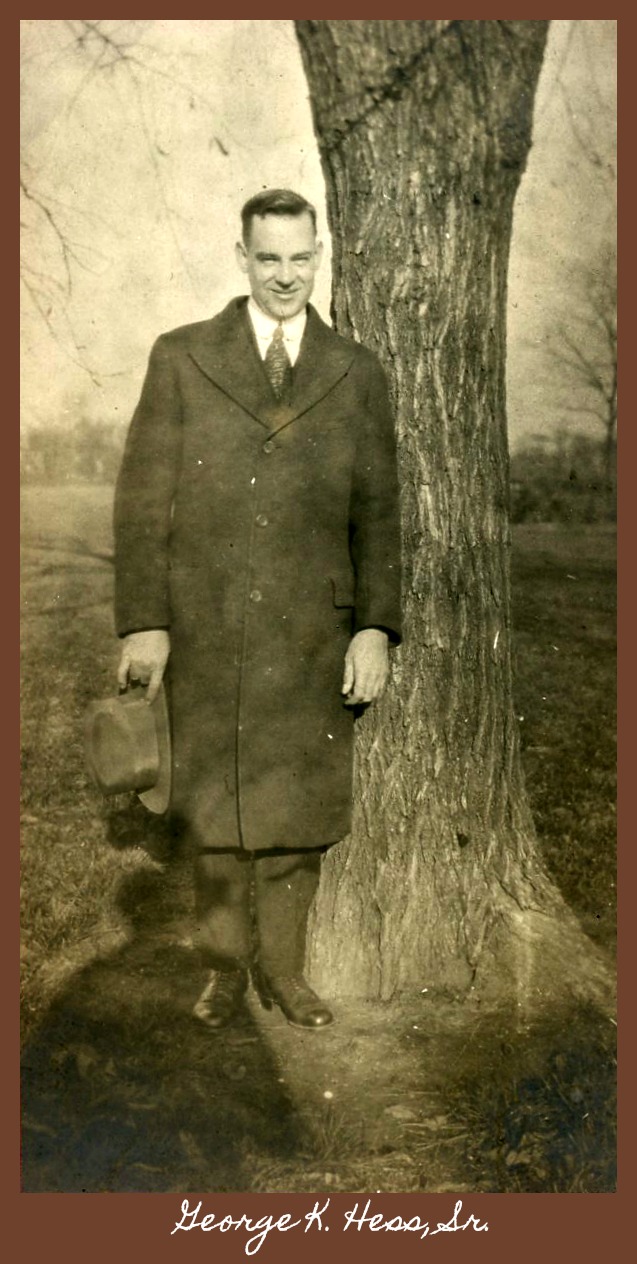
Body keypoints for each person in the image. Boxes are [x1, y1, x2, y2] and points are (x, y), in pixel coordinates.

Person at [113, 188, 401, 1031]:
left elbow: (377, 512)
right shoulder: (182, 356)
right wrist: (144, 620)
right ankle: (220, 971)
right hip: (204, 628)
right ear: (241, 257)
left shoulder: (355, 371)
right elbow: (141, 501)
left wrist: (375, 625)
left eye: (299, 258)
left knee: (292, 815)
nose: (284, 275)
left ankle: (285, 972)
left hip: (311, 635)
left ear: (319, 256)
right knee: (211, 813)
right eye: (267, 257)